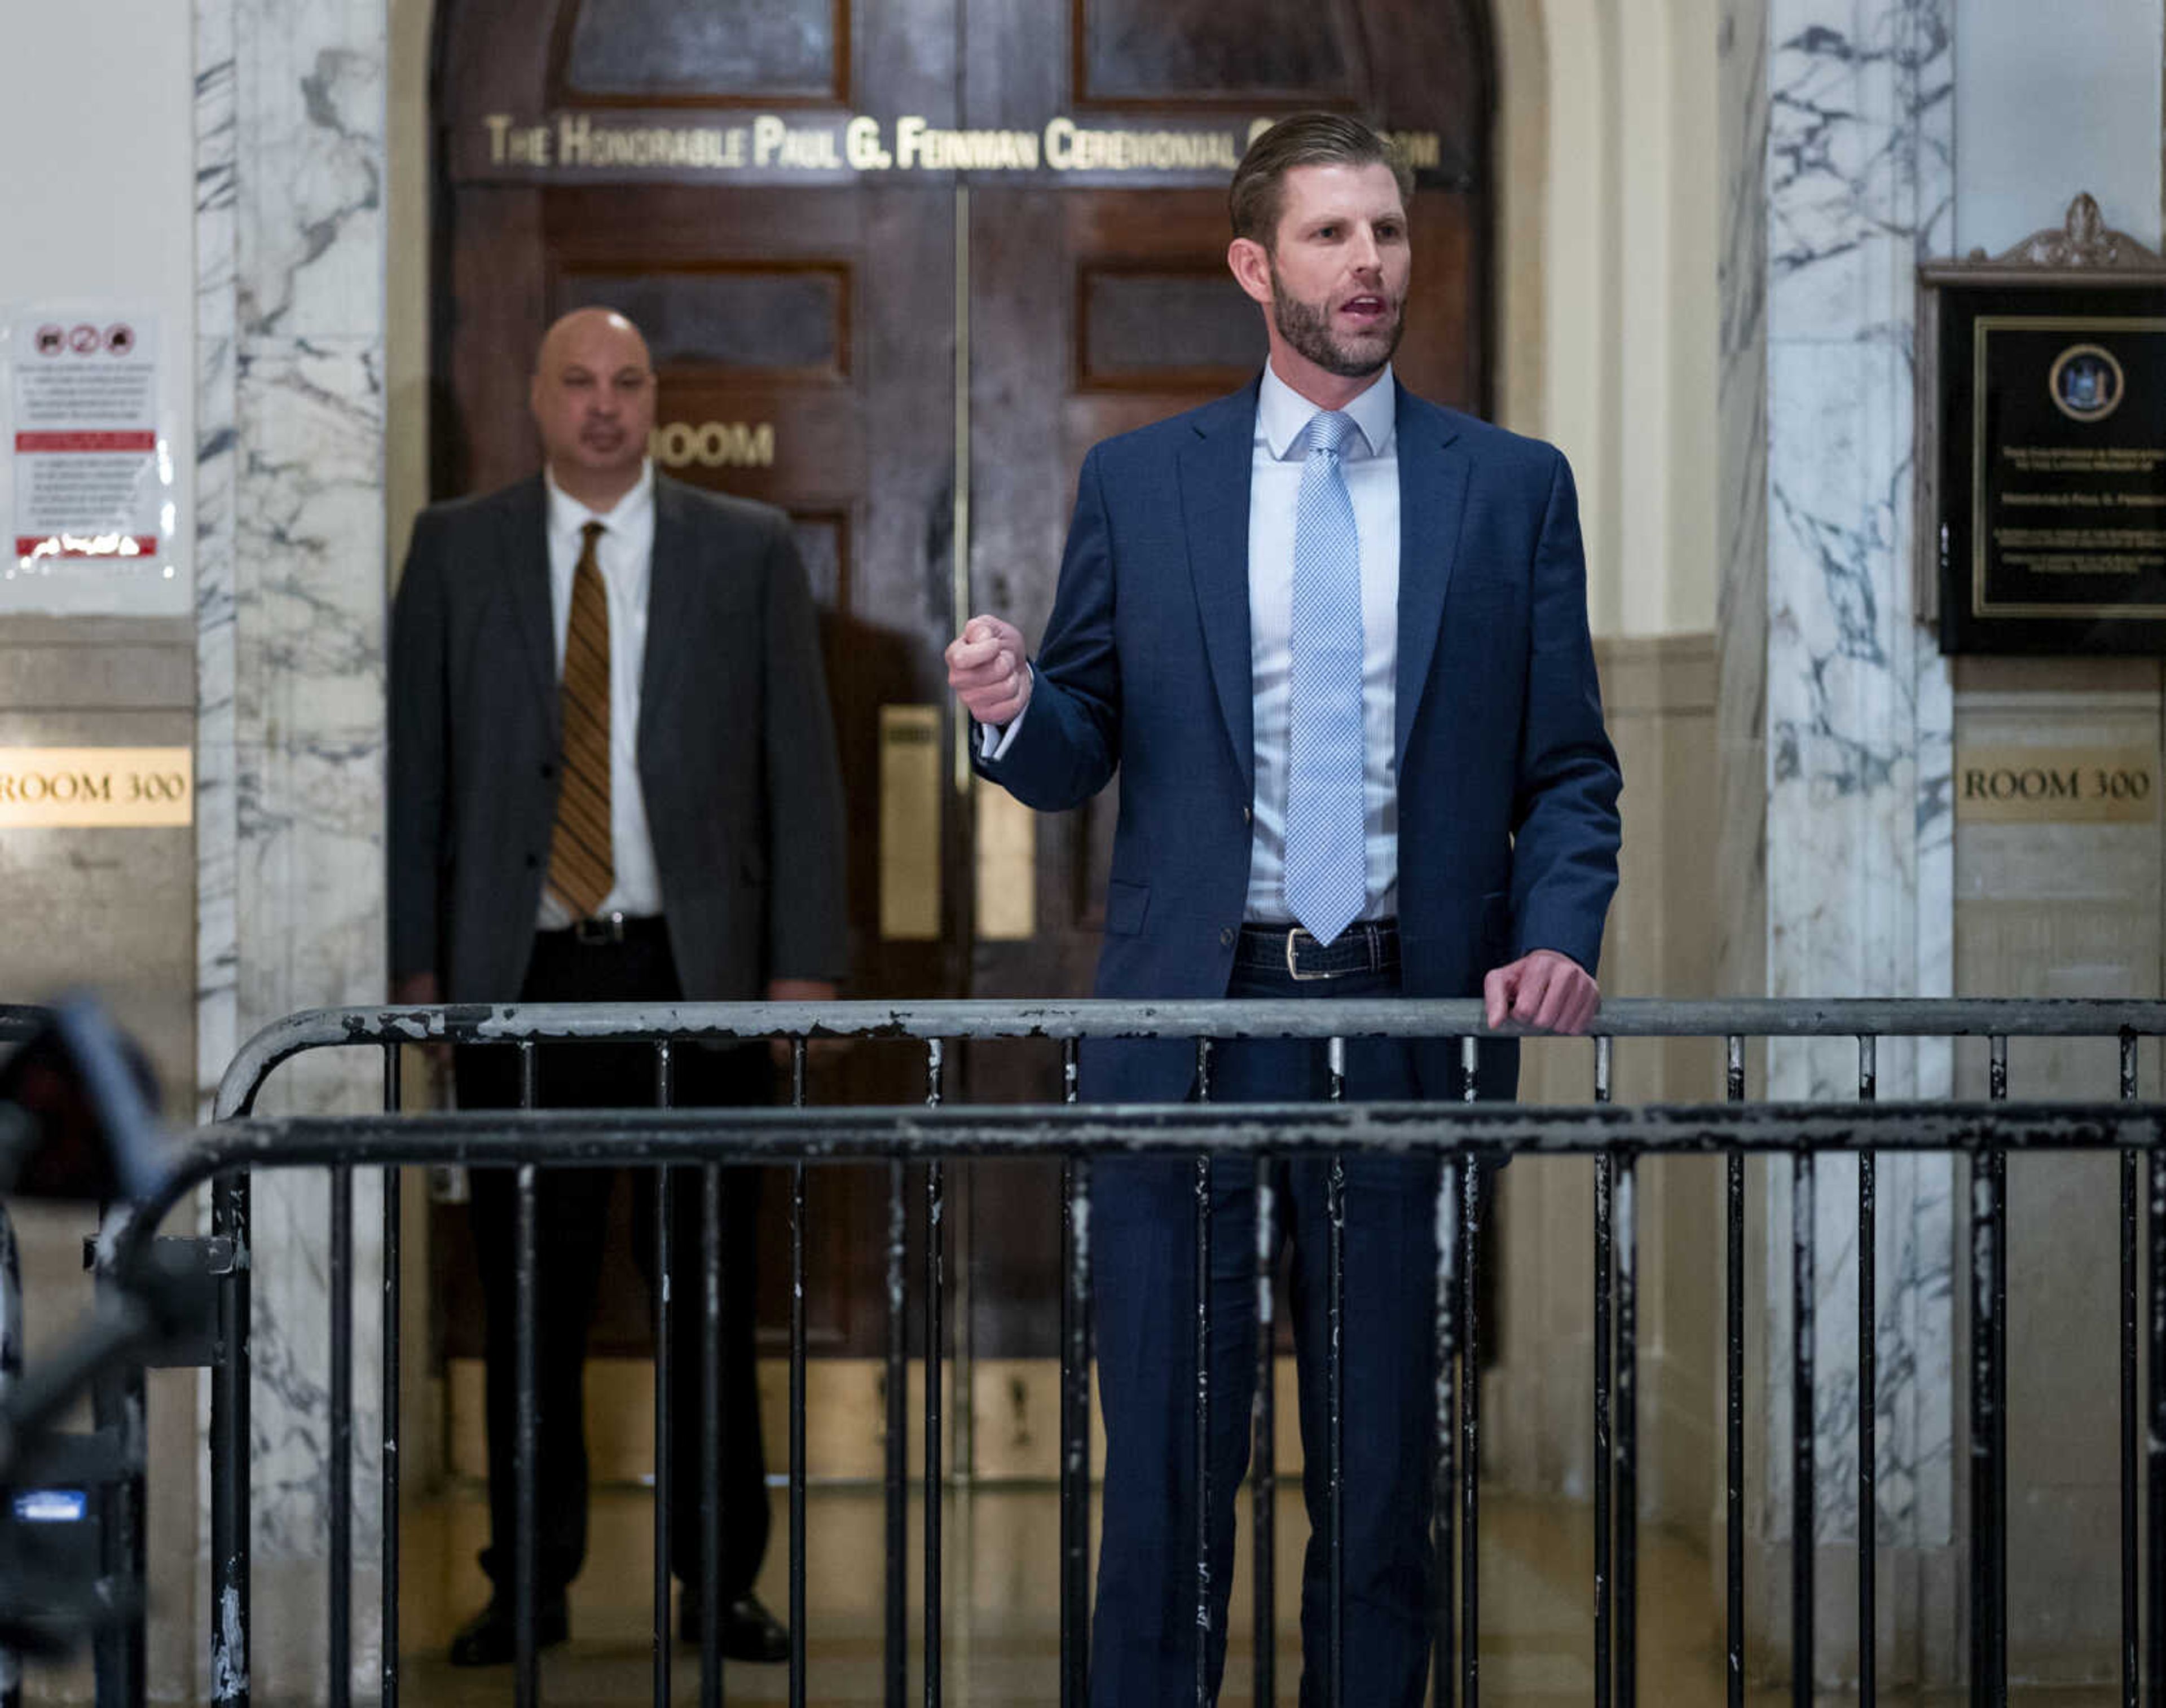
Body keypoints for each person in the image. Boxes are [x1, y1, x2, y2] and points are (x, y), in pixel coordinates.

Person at [946, 114, 1622, 1705]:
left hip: (1404, 1024)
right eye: (1331, 235)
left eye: (1386, 230)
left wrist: (1558, 927)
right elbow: (1077, 744)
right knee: (1171, 1465)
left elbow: (1573, 770)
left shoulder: (1512, 489)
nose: (1369, 263)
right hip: (1194, 1030)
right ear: (1257, 266)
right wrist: (1010, 703)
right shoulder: (1144, 481)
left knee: (1385, 1476)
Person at [389, 307, 847, 1666]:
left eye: (628, 382)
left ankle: (721, 1585)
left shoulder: (746, 549)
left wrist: (802, 968)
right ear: (533, 399)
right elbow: (419, 773)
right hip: (517, 981)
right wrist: (420, 970)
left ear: (657, 399)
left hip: (694, 973)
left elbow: (802, 775)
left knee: (704, 1290)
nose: (603, 405)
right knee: (532, 1295)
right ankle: (526, 1582)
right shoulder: (457, 549)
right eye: (577, 382)